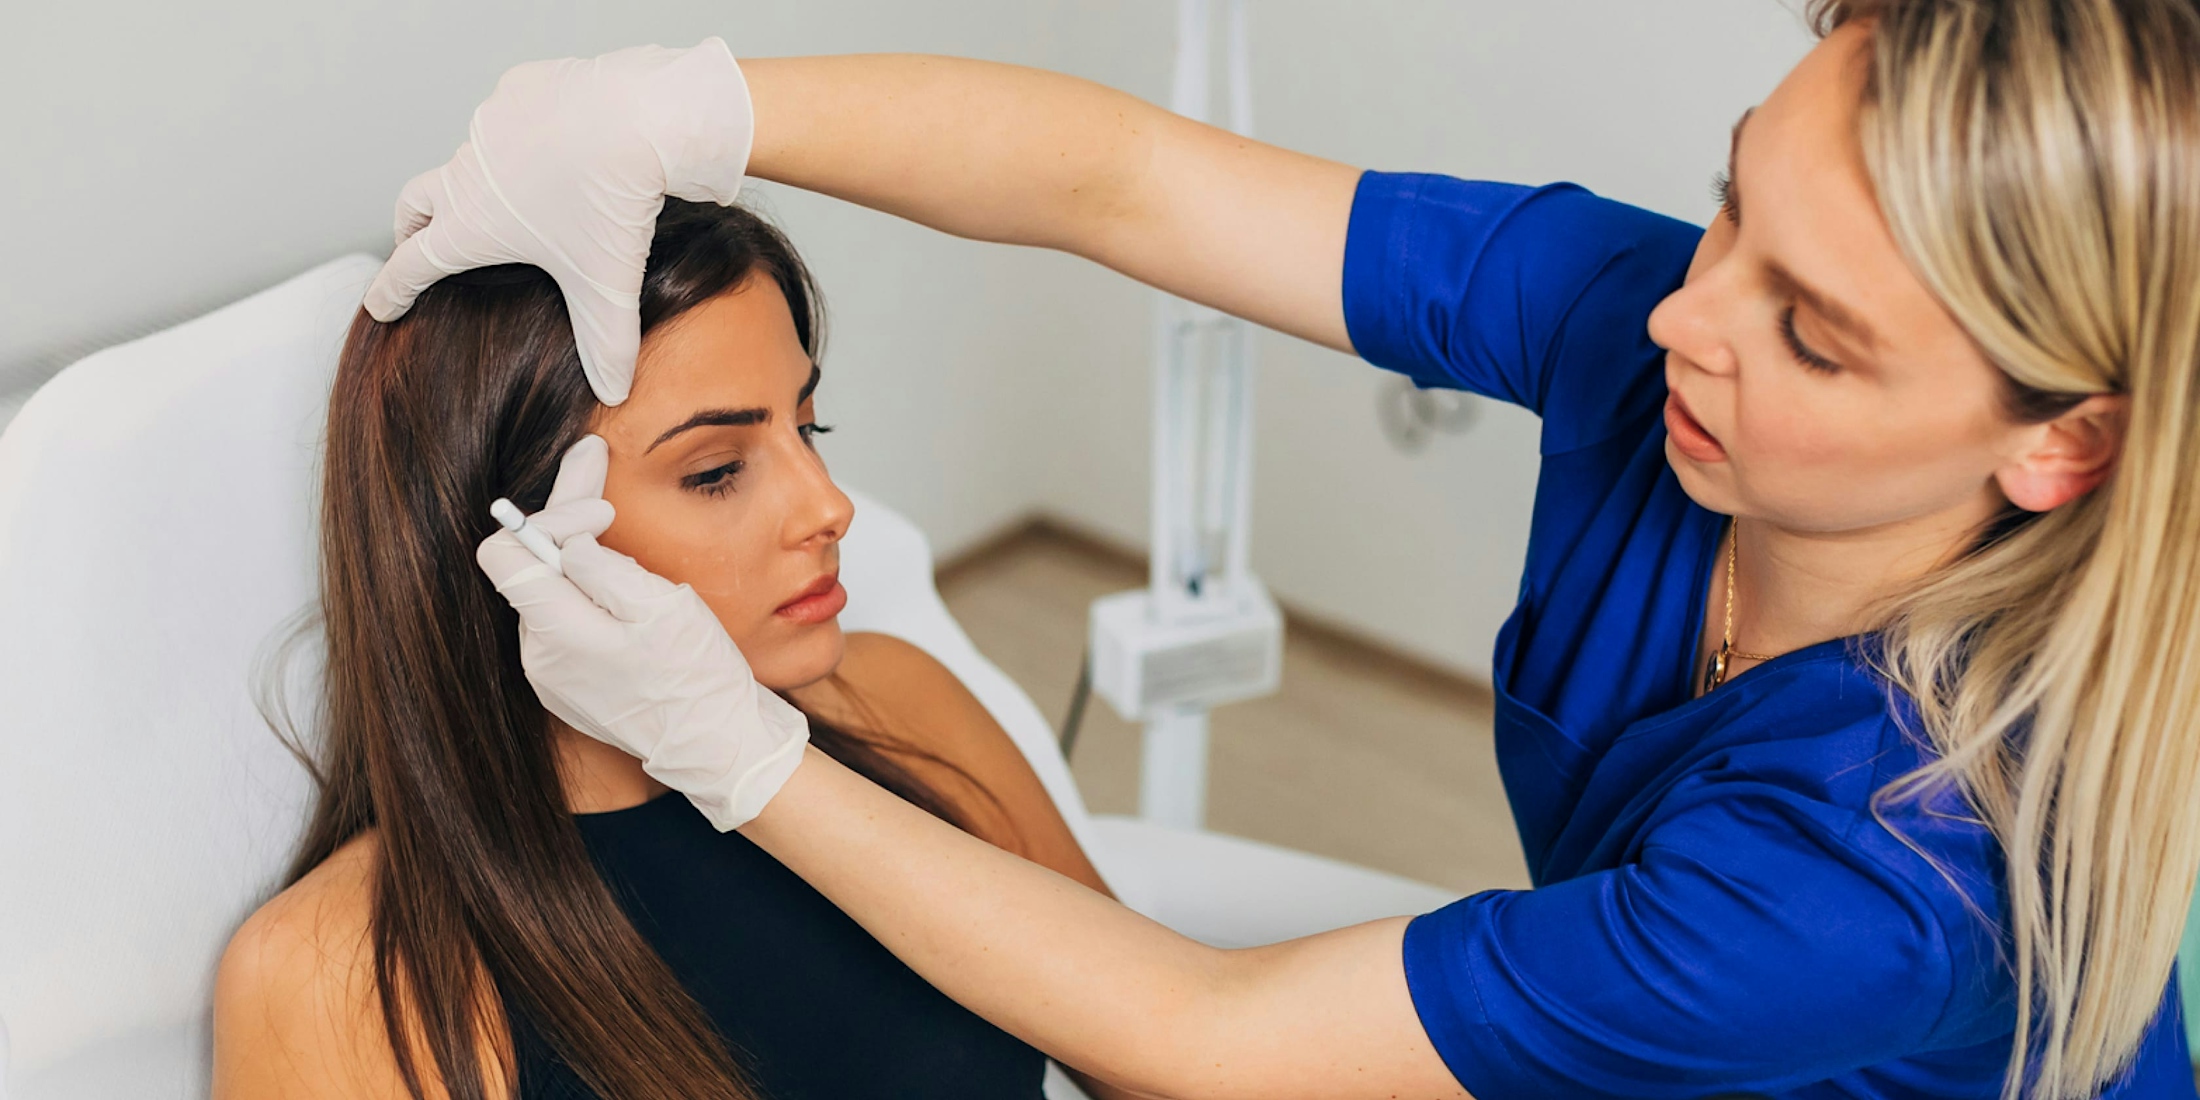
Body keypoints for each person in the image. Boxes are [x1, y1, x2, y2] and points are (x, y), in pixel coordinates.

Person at [366, 0, 2200, 1096]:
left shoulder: (1898, 877)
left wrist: (737, 754)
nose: (1682, 321)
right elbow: (1131, 185)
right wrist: (694, 102)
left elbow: (1209, 1048)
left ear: (2067, 443)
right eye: (1733, 201)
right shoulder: (1656, 325)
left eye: (1814, 331)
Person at [209, 199, 1123, 1100]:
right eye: (717, 471)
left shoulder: (900, 707)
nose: (830, 505)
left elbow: (1177, 1062)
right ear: (515, 538)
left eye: (809, 428)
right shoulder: (348, 977)